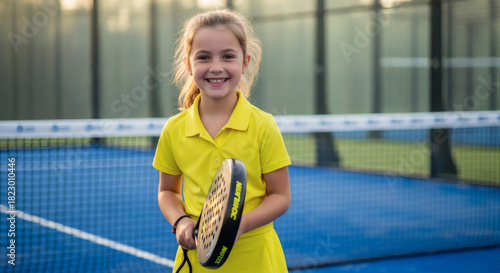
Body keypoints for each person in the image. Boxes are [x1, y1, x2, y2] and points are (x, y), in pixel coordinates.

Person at [153, 9, 291, 273]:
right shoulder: (174, 129)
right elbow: (167, 191)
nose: (216, 67)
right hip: (196, 259)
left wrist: (240, 225)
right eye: (204, 57)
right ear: (188, 65)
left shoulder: (263, 126)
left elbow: (281, 196)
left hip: (257, 259)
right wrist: (180, 221)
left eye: (228, 56)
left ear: (245, 62)